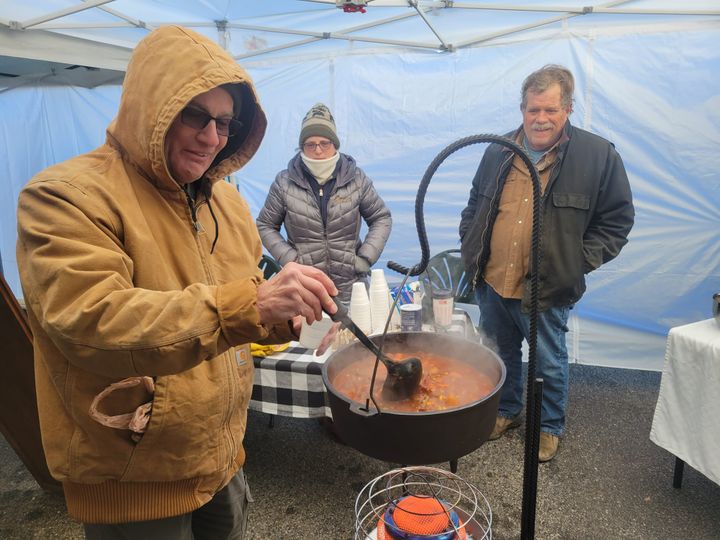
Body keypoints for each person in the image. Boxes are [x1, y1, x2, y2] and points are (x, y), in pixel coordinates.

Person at [15, 25, 338, 539]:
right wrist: (250, 303)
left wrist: (285, 313)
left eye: (226, 123)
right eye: (195, 115)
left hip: (221, 457)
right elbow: (92, 321)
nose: (211, 137)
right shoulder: (66, 196)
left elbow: (243, 301)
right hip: (134, 474)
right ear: (151, 106)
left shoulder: (225, 202)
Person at [459, 64, 634, 462]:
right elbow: (474, 202)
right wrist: (470, 240)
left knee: (548, 360)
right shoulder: (498, 148)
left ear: (568, 109)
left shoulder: (597, 155)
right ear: (522, 109)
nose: (541, 119)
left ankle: (549, 426)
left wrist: (576, 262)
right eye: (533, 109)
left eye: (550, 110)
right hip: (493, 280)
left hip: (548, 286)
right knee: (498, 354)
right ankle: (506, 411)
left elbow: (617, 221)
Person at [256, 103, 392, 304]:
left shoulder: (356, 179)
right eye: (310, 144)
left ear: (335, 144)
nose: (318, 150)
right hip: (305, 289)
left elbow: (381, 217)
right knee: (311, 335)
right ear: (302, 147)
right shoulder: (284, 183)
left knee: (354, 335)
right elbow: (265, 225)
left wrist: (365, 257)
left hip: (352, 289)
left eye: (324, 143)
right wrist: (291, 260)